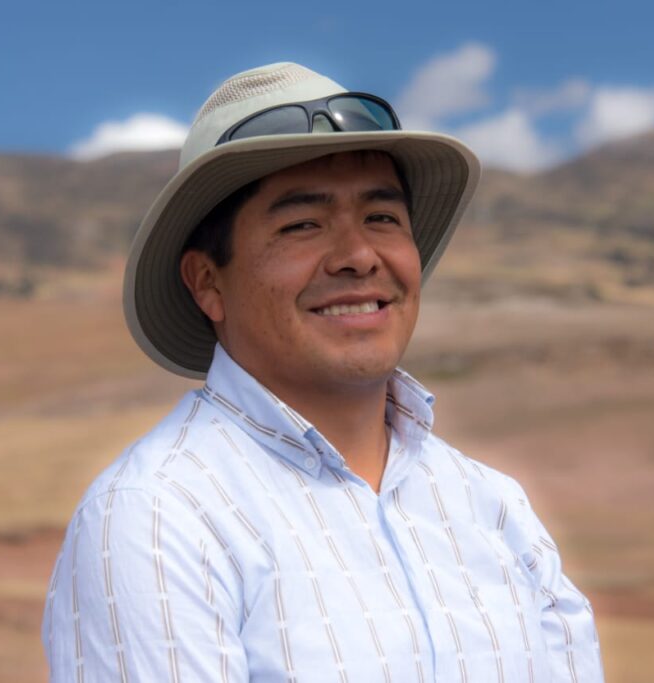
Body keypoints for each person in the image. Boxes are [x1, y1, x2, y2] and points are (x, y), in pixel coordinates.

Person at [42, 62, 603, 683]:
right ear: (207, 282)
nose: (359, 256)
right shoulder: (156, 517)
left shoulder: (495, 509)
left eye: (382, 218)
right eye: (302, 224)